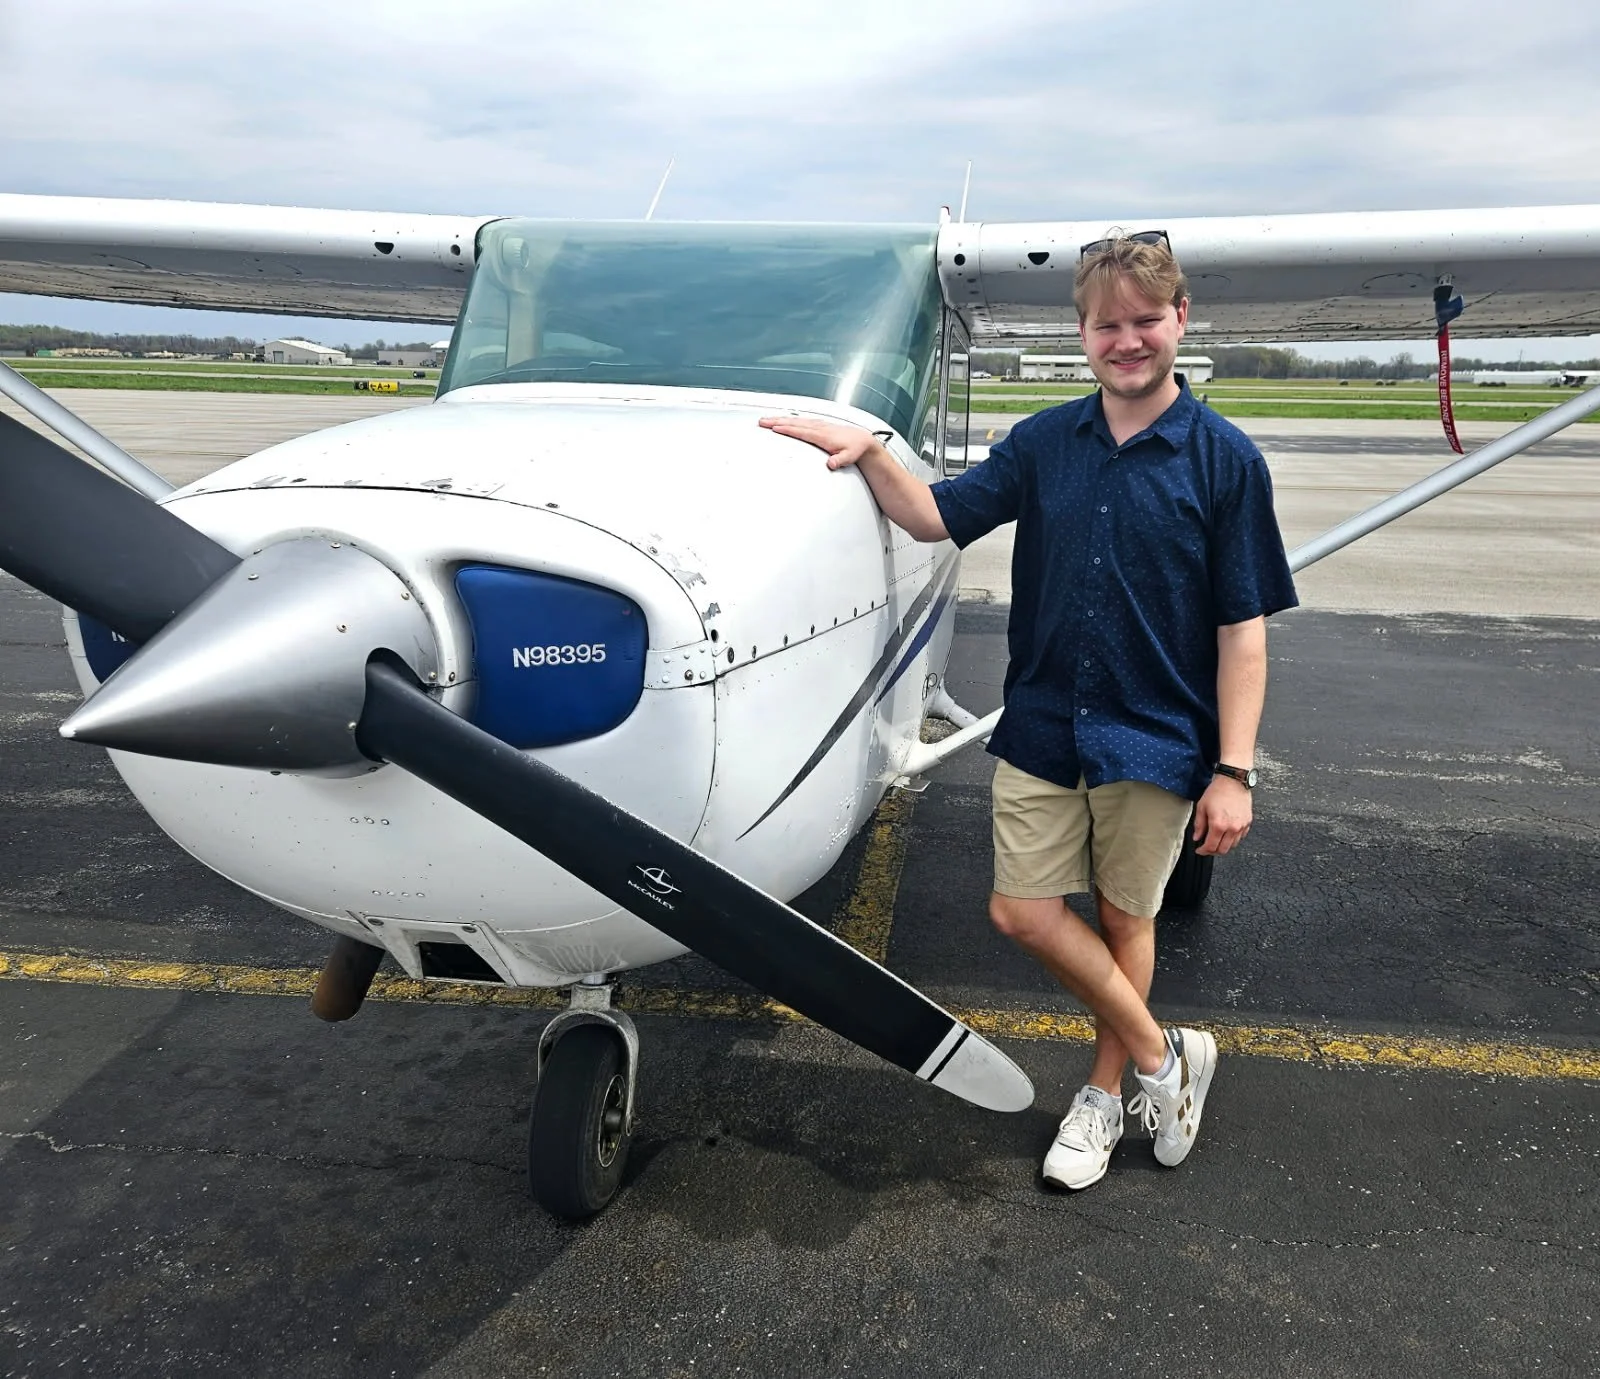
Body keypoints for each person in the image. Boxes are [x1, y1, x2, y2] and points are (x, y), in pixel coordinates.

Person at [760, 230, 1297, 1191]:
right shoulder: (1046, 443)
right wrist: (871, 453)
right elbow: (936, 514)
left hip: (1157, 733)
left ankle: (1099, 1098)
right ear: (1081, 334)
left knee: (1128, 917)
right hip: (1045, 721)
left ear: (1180, 319)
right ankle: (1163, 1059)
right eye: (1106, 325)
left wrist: (1234, 770)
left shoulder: (1225, 462)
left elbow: (1242, 632)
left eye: (1145, 320)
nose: (1126, 341)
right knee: (1020, 910)